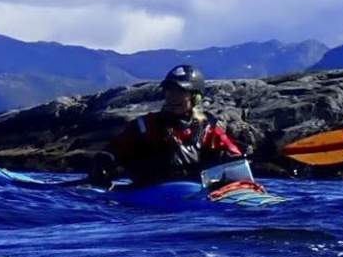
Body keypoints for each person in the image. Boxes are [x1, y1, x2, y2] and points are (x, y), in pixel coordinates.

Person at [92, 64, 244, 186]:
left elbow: (235, 158)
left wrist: (232, 163)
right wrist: (104, 162)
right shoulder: (144, 126)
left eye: (180, 92)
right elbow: (113, 151)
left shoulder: (208, 129)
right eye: (169, 91)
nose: (172, 97)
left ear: (195, 98)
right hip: (150, 193)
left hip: (195, 193)